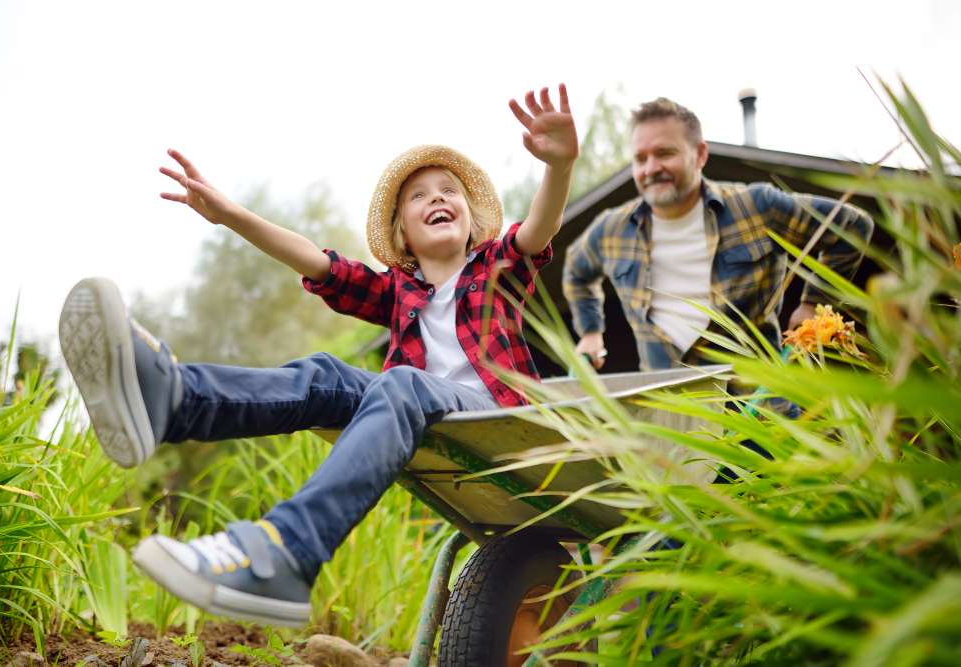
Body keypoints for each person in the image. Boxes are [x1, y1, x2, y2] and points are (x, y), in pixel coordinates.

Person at [59, 85, 579, 627]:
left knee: (401, 382)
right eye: (420, 196)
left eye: (450, 191)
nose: (438, 198)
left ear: (473, 222)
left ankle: (287, 552)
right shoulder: (399, 293)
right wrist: (231, 215)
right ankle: (170, 401)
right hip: (431, 418)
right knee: (327, 375)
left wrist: (559, 165)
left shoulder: (497, 268)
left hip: (498, 422)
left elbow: (539, 228)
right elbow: (318, 263)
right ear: (402, 233)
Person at [563, 97, 874, 373]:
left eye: (665, 153)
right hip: (667, 415)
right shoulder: (611, 231)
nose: (651, 168)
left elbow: (851, 226)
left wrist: (813, 304)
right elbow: (577, 270)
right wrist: (591, 332)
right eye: (640, 159)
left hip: (759, 409)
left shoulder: (756, 207)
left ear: (700, 155)